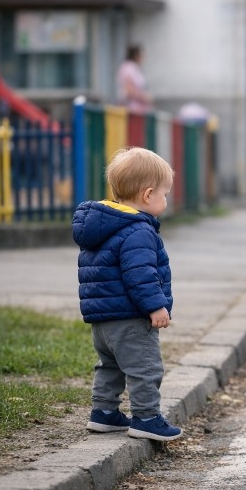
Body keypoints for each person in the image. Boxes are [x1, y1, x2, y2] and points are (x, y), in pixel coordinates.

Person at [72, 147, 182, 440]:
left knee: (110, 365)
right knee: (144, 367)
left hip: (103, 320)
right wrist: (157, 306)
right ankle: (146, 417)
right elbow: (141, 275)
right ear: (148, 195)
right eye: (164, 193)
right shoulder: (138, 230)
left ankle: (104, 412)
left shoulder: (103, 226)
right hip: (131, 317)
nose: (166, 199)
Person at [116, 45, 153, 113]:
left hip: (139, 110)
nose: (143, 58)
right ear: (136, 55)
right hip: (131, 109)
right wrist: (144, 97)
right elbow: (129, 90)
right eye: (141, 55)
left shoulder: (135, 68)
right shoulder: (128, 68)